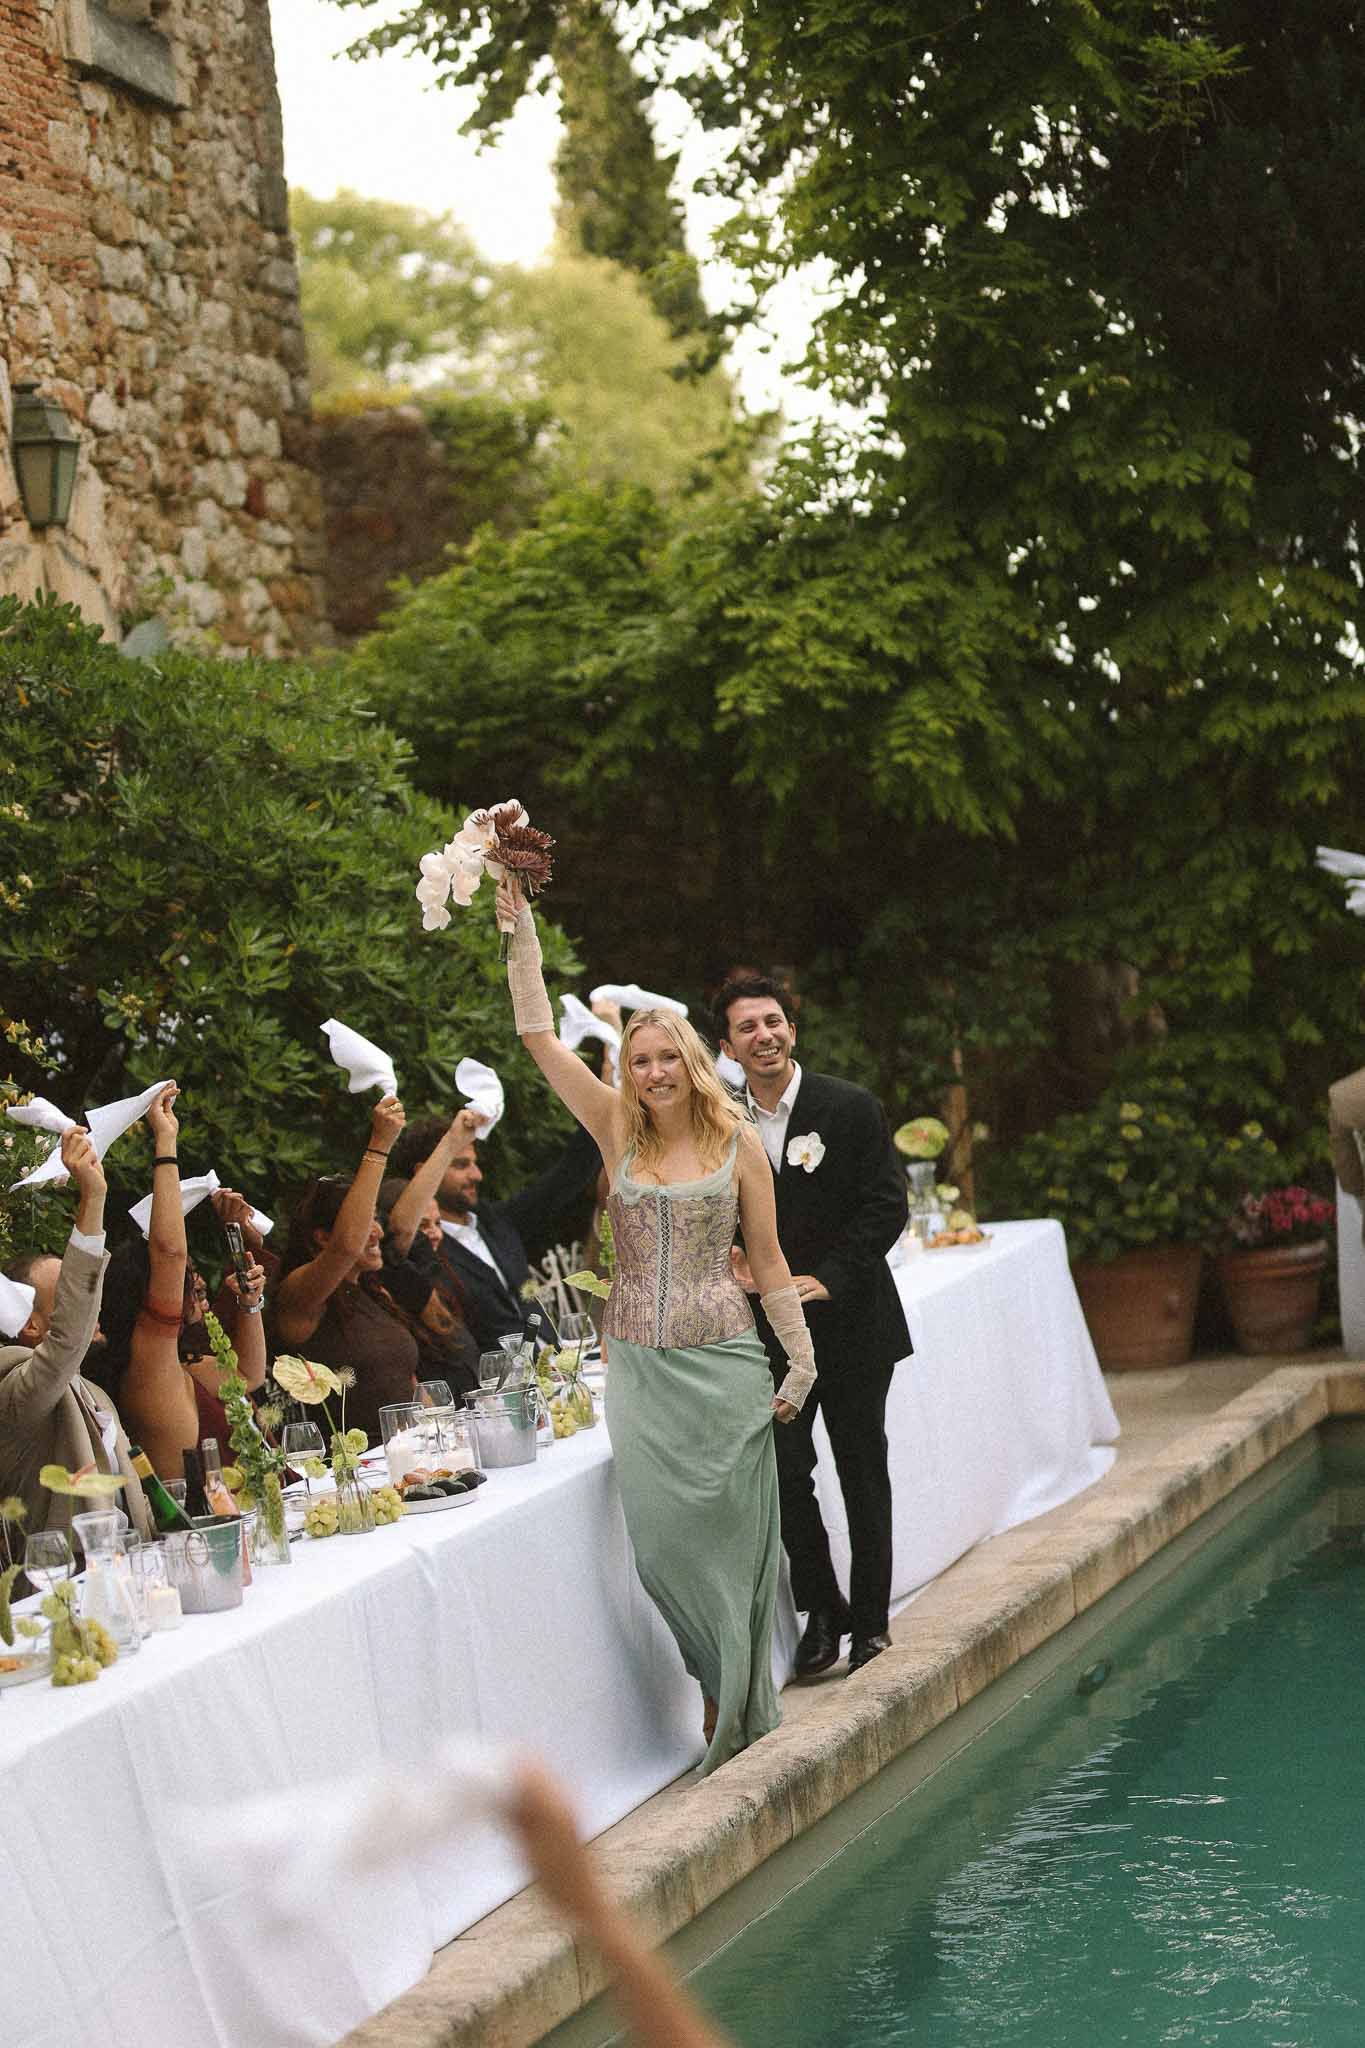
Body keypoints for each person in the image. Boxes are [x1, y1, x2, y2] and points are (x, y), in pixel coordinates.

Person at [496, 875, 817, 1773]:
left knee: (737, 1545)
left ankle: (731, 1699)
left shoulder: (738, 1142)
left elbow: (769, 1262)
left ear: (692, 1061)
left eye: (667, 1057)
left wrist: (799, 1364)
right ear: (625, 1071)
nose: (654, 1073)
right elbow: (535, 1036)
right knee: (663, 1549)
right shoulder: (614, 1129)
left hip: (727, 1364)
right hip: (640, 1367)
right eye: (639, 1061)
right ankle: (714, 1677)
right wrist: (521, 930)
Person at [715, 975, 911, 1677]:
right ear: (727, 1046)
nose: (763, 1036)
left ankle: (872, 1625)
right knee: (786, 1474)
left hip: (854, 1323)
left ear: (791, 1031)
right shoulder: (718, 1122)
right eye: (747, 1027)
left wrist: (830, 1277)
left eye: (773, 1022)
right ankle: (824, 1611)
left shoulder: (849, 1106)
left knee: (861, 1469)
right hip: (767, 1335)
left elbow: (886, 1204)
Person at [98, 1084, 268, 1478]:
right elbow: (169, 1253)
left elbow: (250, 1376)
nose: (198, 1284)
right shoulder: (149, 1369)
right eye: (189, 1279)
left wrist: (250, 1304)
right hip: (194, 1518)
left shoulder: (186, 1363)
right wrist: (165, 1140)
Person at [0, 1124, 153, 1540]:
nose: (91, 1306)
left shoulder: (94, 1394)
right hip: (67, 1576)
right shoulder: (15, 1394)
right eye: (67, 1294)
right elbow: (68, 1336)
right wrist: (93, 1197)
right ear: (30, 1323)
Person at [271, 1094, 423, 1445]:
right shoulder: (300, 1296)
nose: (378, 1232)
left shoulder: (372, 1292)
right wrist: (379, 1144)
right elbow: (346, 1247)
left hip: (413, 1452)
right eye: (365, 1222)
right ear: (323, 1237)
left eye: (375, 1218)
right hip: (355, 1467)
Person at [389, 1105, 602, 1354]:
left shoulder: (496, 1221)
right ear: (424, 1172)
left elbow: (568, 1175)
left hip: (557, 1361)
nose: (477, 1175)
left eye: (474, 1164)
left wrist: (602, 1104)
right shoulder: (423, 1249)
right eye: (461, 1165)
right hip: (496, 1375)